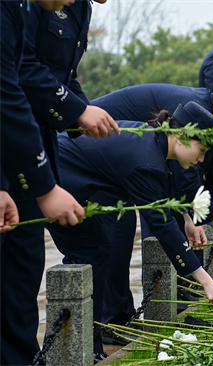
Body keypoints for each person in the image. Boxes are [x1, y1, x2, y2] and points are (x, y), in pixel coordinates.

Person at [90, 75, 213, 331]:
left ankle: (118, 322)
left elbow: (173, 174)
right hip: (95, 156)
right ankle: (111, 325)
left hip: (120, 167)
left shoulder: (199, 109)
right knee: (112, 241)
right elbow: (184, 179)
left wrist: (189, 218)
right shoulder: (191, 109)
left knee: (118, 239)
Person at [48, 102, 213, 354]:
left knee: (97, 249)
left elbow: (164, 202)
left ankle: (85, 347)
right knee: (91, 251)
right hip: (53, 183)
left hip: (70, 185)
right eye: (201, 150)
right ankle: (75, 350)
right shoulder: (147, 160)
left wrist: (188, 220)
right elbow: (162, 225)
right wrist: (206, 281)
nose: (201, 159)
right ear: (181, 135)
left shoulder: (153, 141)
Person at [1, 0, 112, 364]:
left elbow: (60, 75)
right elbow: (13, 86)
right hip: (15, 143)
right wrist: (43, 187)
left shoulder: (69, 8)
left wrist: (78, 111)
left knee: (24, 265)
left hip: (29, 140)